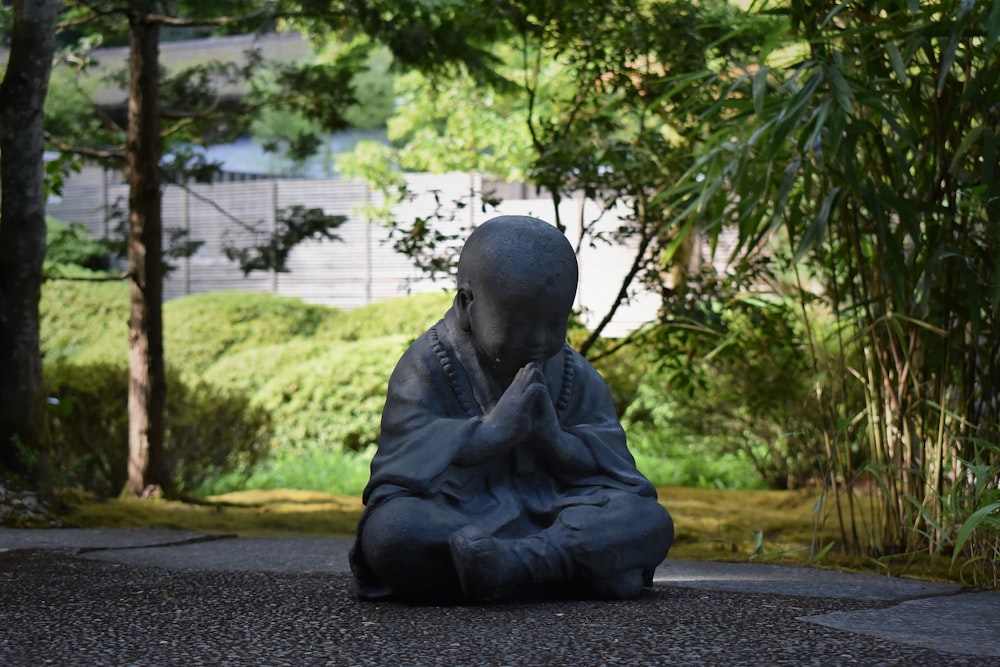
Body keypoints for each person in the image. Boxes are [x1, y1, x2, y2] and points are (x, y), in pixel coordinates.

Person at [349, 215, 673, 602]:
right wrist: (490, 434)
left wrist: (556, 442)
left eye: (555, 324)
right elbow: (400, 469)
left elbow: (619, 474)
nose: (539, 340)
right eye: (518, 325)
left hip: (557, 512)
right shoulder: (428, 364)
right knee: (393, 530)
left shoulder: (574, 372)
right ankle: (573, 569)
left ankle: (512, 566)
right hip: (464, 515)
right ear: (467, 302)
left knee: (648, 521)